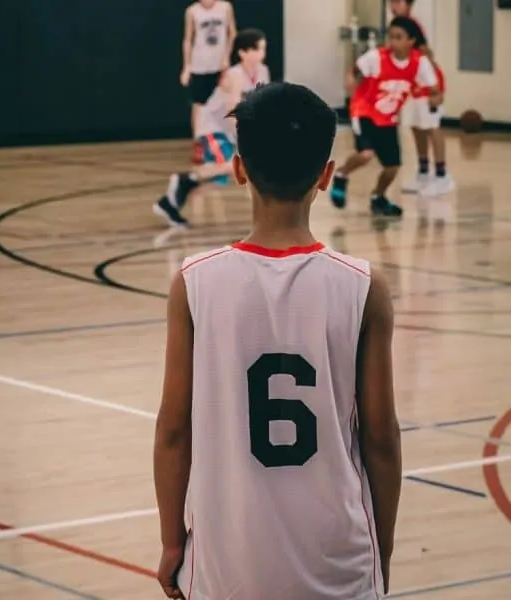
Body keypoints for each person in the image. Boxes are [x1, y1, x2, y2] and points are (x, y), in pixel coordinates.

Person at [154, 82, 402, 600]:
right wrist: (384, 549)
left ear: (240, 169)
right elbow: (381, 439)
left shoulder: (194, 282)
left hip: (227, 567)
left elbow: (174, 432)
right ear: (326, 174)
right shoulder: (364, 286)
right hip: (339, 565)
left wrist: (172, 544)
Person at [154, 28, 270, 228]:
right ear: (243, 53)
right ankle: (184, 180)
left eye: (263, 49)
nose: (262, 54)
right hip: (212, 126)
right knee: (236, 165)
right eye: (258, 49)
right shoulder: (234, 75)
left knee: (218, 179)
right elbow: (232, 110)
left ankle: (170, 201)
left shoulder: (263, 72)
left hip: (229, 130)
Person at [330, 16, 441, 217]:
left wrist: (435, 98)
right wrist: (350, 81)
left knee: (392, 167)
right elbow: (353, 69)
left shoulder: (420, 63)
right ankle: (341, 174)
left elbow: (434, 89)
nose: (393, 42)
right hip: (364, 111)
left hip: (388, 118)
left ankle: (378, 197)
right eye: (391, 37)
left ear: (411, 41)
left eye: (399, 37)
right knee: (366, 154)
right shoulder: (376, 57)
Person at [389, 0, 454, 196]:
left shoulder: (412, 26)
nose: (393, 6)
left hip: (428, 82)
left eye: (397, 2)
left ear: (408, 4)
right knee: (417, 126)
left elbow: (427, 54)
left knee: (432, 126)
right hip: (413, 84)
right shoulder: (397, 26)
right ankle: (423, 172)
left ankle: (442, 175)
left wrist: (436, 90)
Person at [180, 0, 237, 159]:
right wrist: (187, 66)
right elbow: (188, 39)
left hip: (220, 65)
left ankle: (225, 142)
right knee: (199, 105)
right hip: (199, 65)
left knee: (224, 102)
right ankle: (198, 143)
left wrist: (227, 56)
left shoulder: (225, 7)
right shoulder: (192, 11)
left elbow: (232, 32)